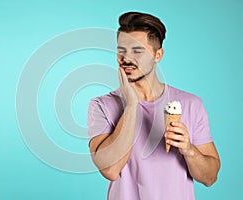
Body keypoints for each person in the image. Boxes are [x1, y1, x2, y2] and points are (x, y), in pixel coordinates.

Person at [87, 12, 220, 200]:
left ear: (158, 55)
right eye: (122, 50)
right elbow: (110, 169)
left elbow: (210, 177)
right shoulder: (102, 106)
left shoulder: (191, 104)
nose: (126, 58)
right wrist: (131, 105)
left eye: (137, 51)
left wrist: (189, 150)